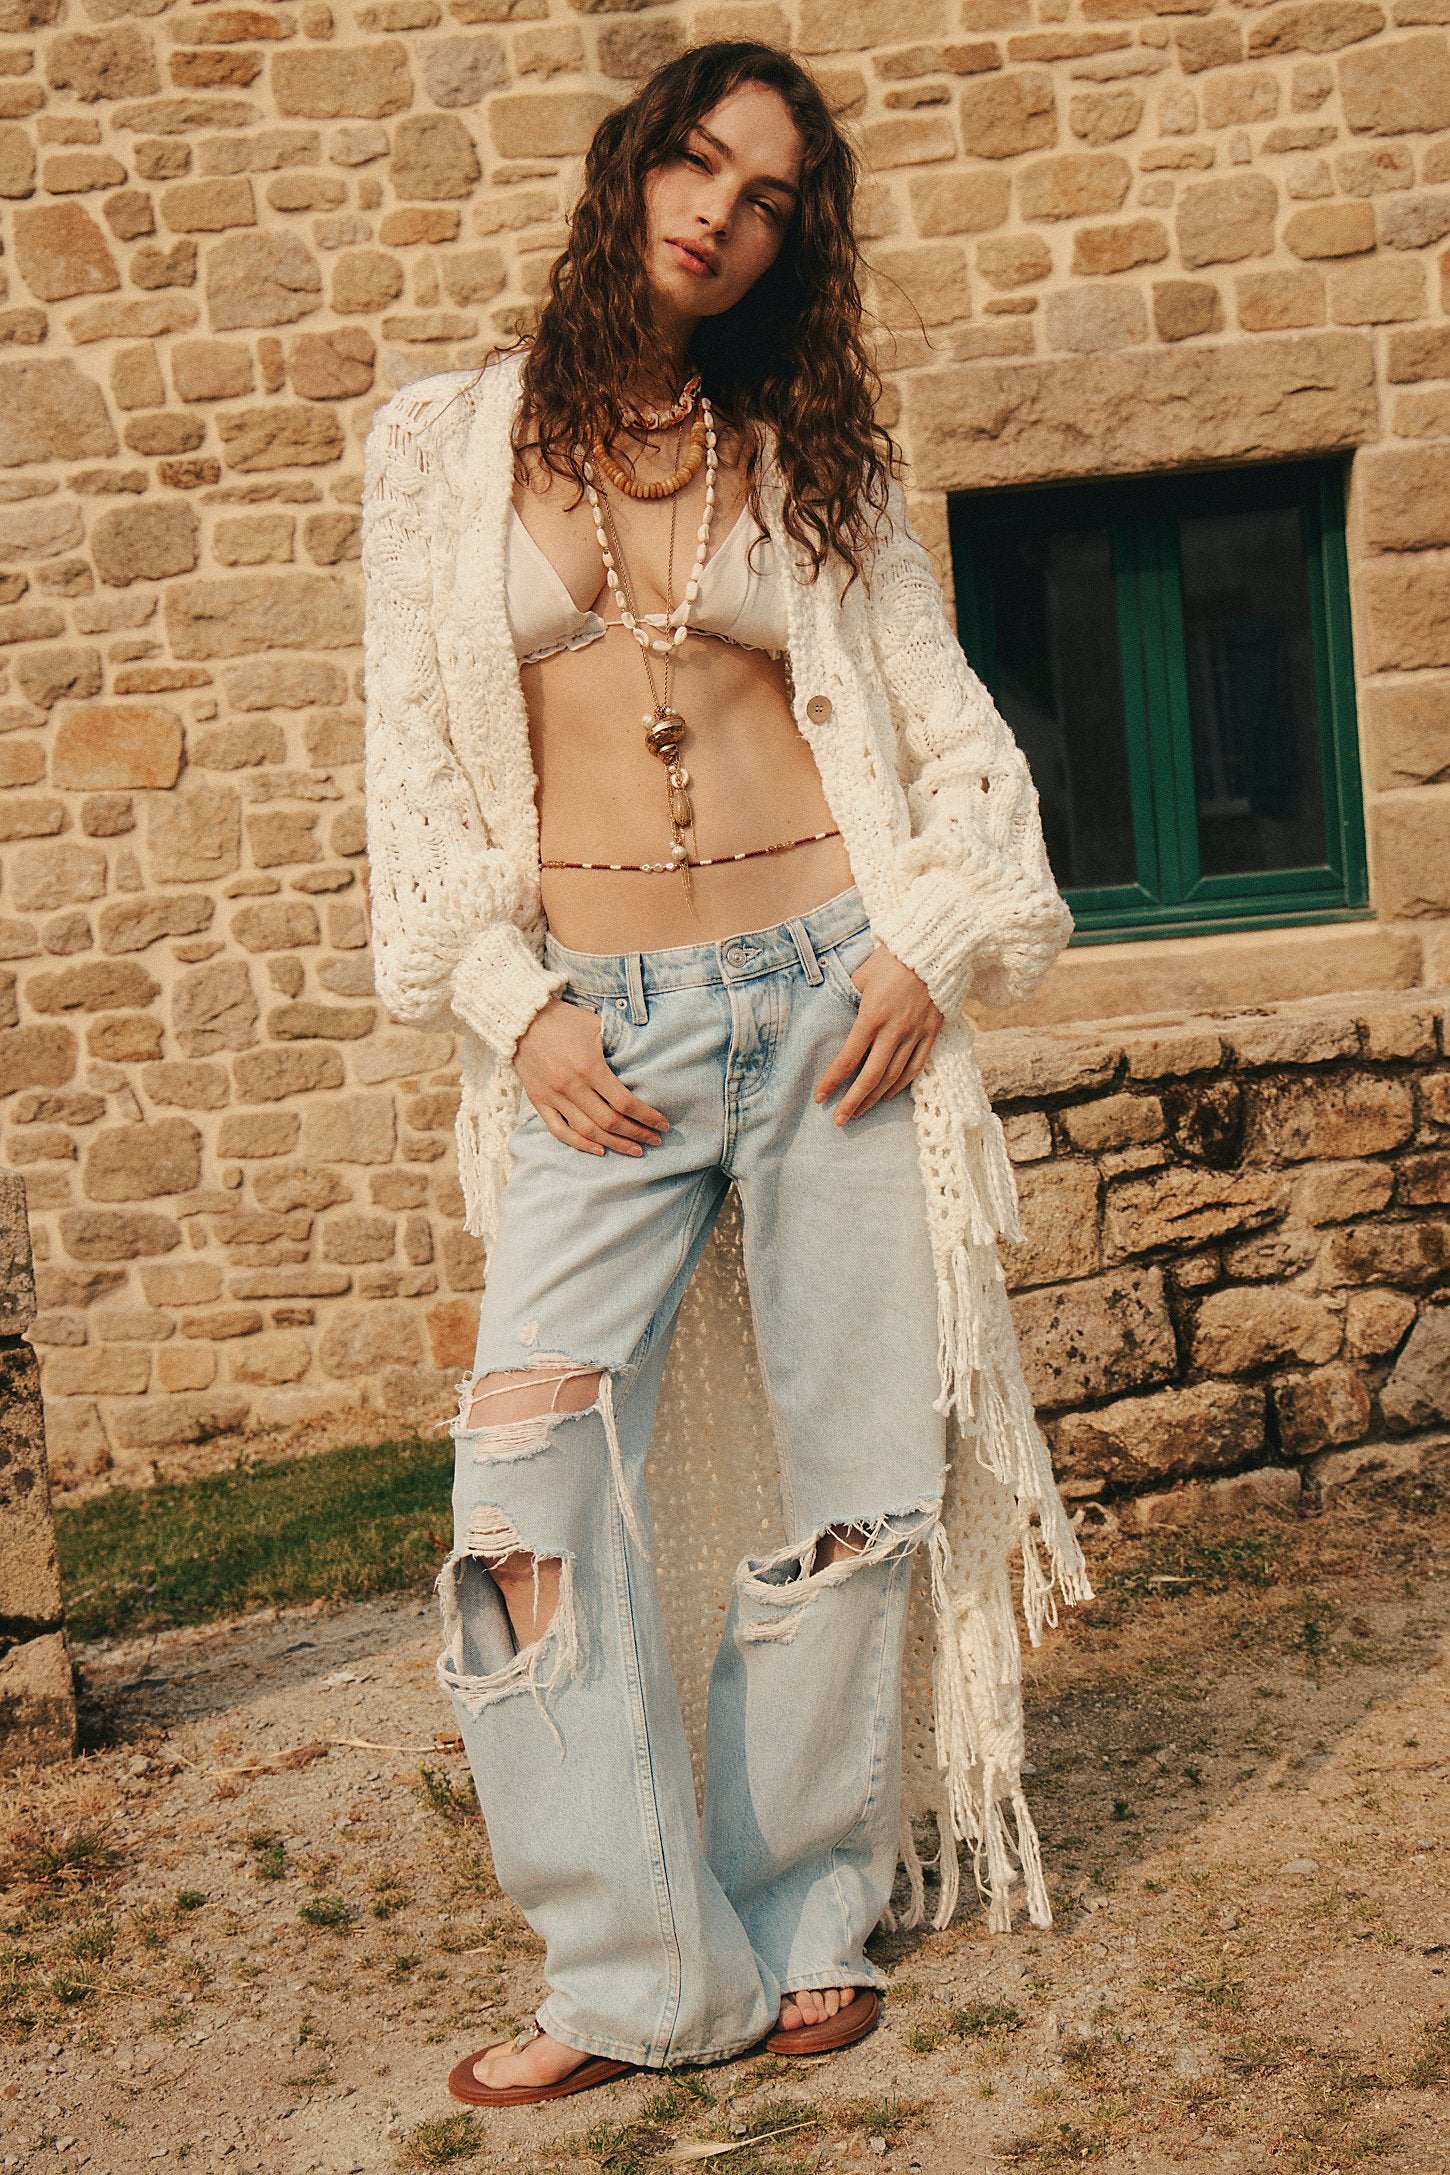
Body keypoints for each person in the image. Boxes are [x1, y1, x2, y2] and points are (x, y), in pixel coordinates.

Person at [361, 38, 1092, 2110]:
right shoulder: (439, 452)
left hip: (827, 1007)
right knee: (517, 1493)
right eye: (697, 162)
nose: (720, 213)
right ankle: (626, 1967)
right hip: (597, 1032)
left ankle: (802, 1915)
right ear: (629, 167)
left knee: (851, 1481)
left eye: (769, 198)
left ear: (793, 245)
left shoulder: (804, 457)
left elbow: (954, 746)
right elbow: (410, 784)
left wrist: (925, 944)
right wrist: (514, 1006)